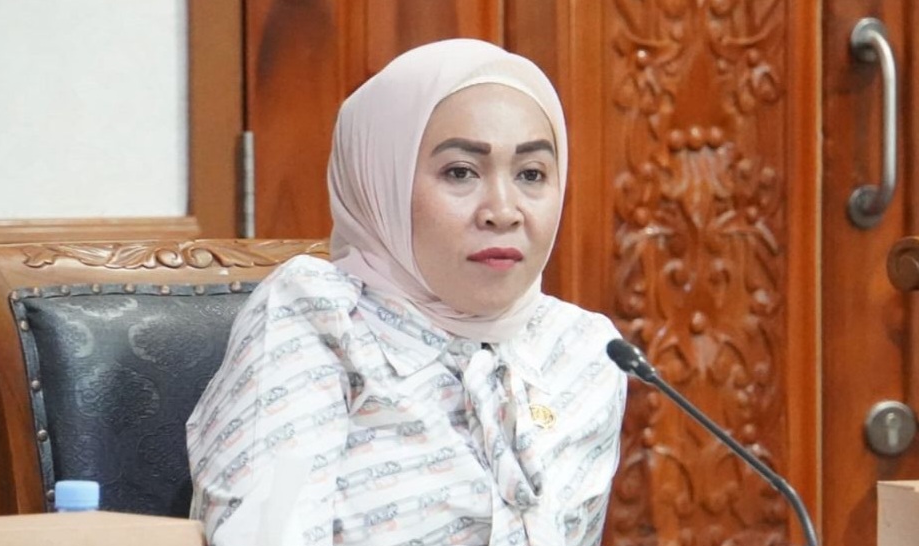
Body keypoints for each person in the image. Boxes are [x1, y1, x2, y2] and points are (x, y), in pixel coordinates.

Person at [186, 38, 628, 546]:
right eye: (460, 172)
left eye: (531, 174)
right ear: (382, 182)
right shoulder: (321, 317)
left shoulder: (584, 350)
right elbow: (266, 536)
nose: (503, 211)